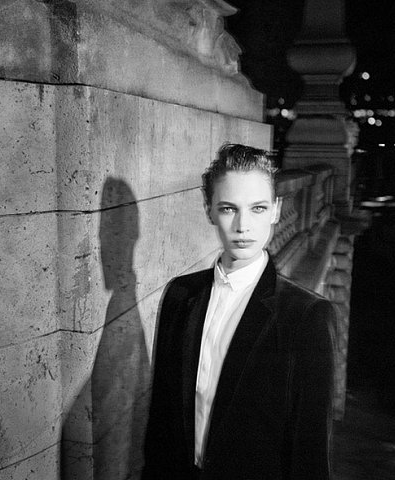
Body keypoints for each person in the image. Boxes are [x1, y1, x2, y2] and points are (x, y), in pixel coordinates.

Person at [143, 143, 335, 479]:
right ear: (209, 210)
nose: (243, 226)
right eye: (229, 208)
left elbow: (310, 454)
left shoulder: (306, 316)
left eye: (258, 208)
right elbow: (161, 422)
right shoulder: (180, 295)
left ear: (276, 210)